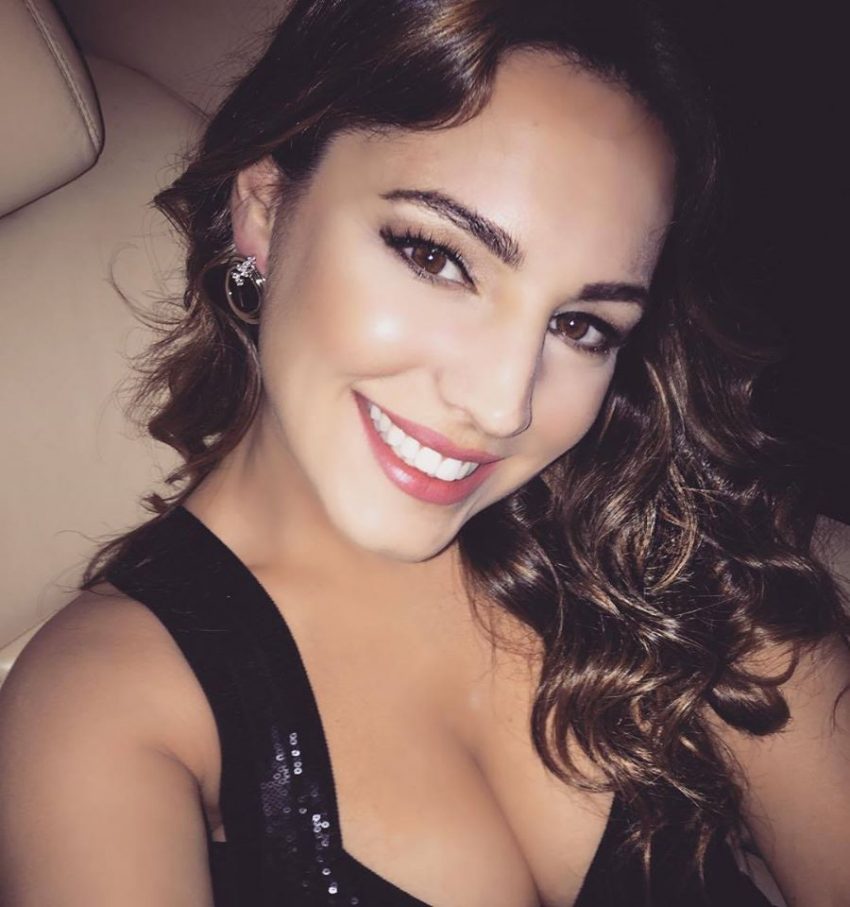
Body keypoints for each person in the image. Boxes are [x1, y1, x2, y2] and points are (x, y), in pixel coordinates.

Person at [1, 0, 848, 904]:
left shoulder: (668, 546)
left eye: (580, 324)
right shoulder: (102, 708)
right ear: (265, 208)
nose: (501, 404)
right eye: (437, 258)